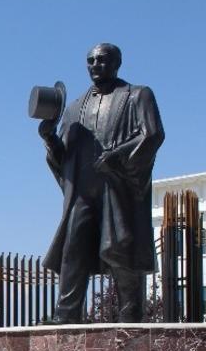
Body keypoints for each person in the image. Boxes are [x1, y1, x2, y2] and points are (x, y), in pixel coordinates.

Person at [37, 42, 165, 323]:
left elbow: (152, 135)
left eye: (102, 60)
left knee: (120, 249)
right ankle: (66, 315)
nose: (96, 65)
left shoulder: (137, 95)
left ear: (117, 63)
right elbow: (63, 159)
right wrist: (49, 137)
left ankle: (131, 315)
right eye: (91, 60)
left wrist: (117, 157)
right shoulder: (73, 109)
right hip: (82, 192)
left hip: (117, 188)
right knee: (74, 249)